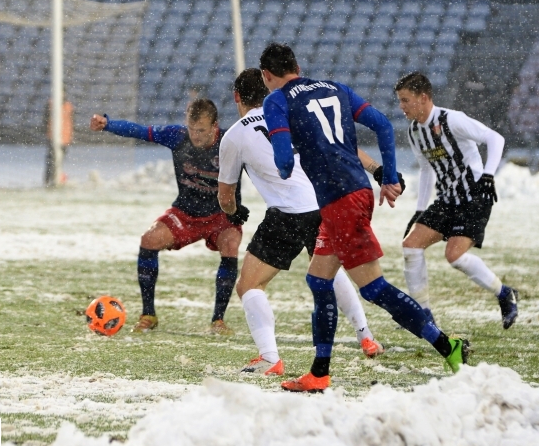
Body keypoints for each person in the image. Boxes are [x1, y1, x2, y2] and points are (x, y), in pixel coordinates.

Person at [260, 43, 469, 393]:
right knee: (319, 280)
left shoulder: (276, 100)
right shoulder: (335, 88)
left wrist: (288, 152)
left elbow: (282, 164)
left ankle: (447, 345)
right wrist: (388, 176)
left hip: (340, 200)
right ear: (297, 65)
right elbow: (383, 125)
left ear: (267, 76)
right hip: (350, 193)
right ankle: (319, 372)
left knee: (373, 288)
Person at [217, 68, 389, 376]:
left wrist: (232, 212)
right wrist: (377, 169)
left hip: (287, 213)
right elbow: (340, 145)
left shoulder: (235, 135)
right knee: (330, 268)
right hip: (323, 202)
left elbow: (225, 195)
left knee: (249, 285)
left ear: (236, 98)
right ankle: (366, 337)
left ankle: (270, 358)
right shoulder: (291, 113)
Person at [89, 98, 247, 333]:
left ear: (215, 126)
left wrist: (240, 205)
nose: (195, 136)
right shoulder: (177, 136)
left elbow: (260, 163)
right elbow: (140, 131)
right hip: (185, 213)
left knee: (231, 244)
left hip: (220, 215)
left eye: (202, 130)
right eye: (192, 129)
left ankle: (218, 320)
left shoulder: (231, 141)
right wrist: (108, 123)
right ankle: (149, 315)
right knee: (149, 240)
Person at [395, 72, 519, 330]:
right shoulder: (415, 131)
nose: (402, 107)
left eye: (406, 100)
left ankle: (504, 293)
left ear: (424, 97)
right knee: (411, 246)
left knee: (454, 255)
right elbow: (426, 169)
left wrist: (488, 175)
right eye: (400, 101)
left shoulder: (452, 120)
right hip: (447, 198)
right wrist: (419, 211)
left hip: (474, 196)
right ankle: (423, 314)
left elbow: (496, 139)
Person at [44, 99, 74, 187]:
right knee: (51, 160)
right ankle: (48, 180)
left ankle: (56, 178)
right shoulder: (50, 104)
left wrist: (70, 135)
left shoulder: (69, 106)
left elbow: (72, 121)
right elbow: (45, 120)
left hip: (65, 137)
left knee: (59, 160)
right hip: (52, 137)